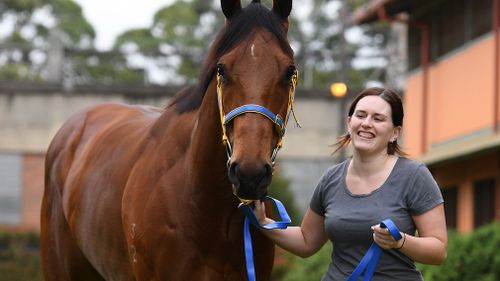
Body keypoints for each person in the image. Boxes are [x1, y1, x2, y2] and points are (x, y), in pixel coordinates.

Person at [255, 87, 447, 280]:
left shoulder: (414, 176)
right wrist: (264, 223)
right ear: (349, 123)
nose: (366, 123)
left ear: (395, 133)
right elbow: (306, 241)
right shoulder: (331, 178)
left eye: (378, 118)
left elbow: (439, 251)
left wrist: (400, 241)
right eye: (361, 115)